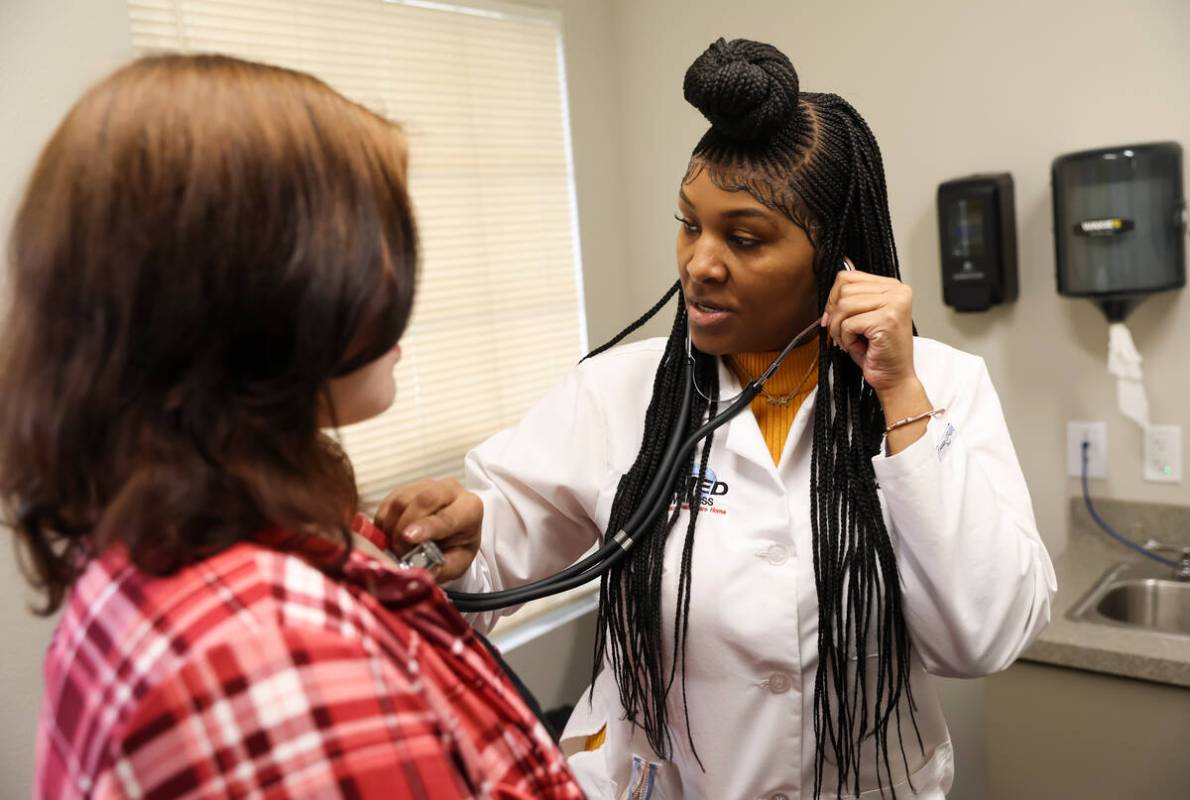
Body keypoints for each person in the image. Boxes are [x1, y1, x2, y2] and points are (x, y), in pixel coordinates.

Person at [380, 38, 1056, 799]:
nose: (699, 262)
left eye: (743, 238)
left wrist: (899, 395)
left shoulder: (939, 390)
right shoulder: (617, 394)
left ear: (833, 259)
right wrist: (472, 543)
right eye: (688, 224)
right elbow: (493, 560)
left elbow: (982, 638)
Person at [2, 54, 584, 799]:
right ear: (263, 288)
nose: (395, 278)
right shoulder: (274, 657)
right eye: (372, 243)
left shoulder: (163, 538)